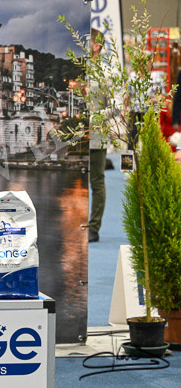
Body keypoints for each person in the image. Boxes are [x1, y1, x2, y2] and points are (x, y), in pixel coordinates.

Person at [88, 28, 107, 243]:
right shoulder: (79, 69)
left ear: (96, 46)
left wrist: (95, 118)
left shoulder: (106, 73)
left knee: (97, 182)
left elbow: (117, 106)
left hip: (97, 136)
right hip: (77, 137)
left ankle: (93, 227)